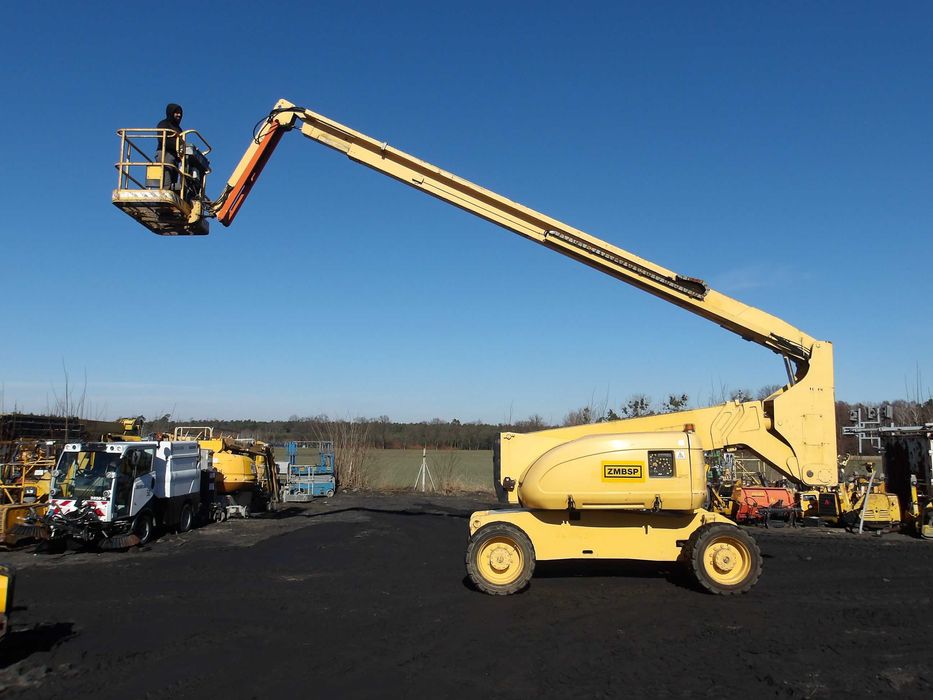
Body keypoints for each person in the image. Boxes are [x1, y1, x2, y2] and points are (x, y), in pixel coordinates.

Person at [156, 103, 184, 189]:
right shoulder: (164, 124)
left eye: (180, 113)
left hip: (175, 157)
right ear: (170, 113)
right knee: (166, 180)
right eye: (176, 112)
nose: (179, 115)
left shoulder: (179, 129)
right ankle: (164, 192)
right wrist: (177, 147)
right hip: (165, 153)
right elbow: (162, 139)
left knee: (174, 182)